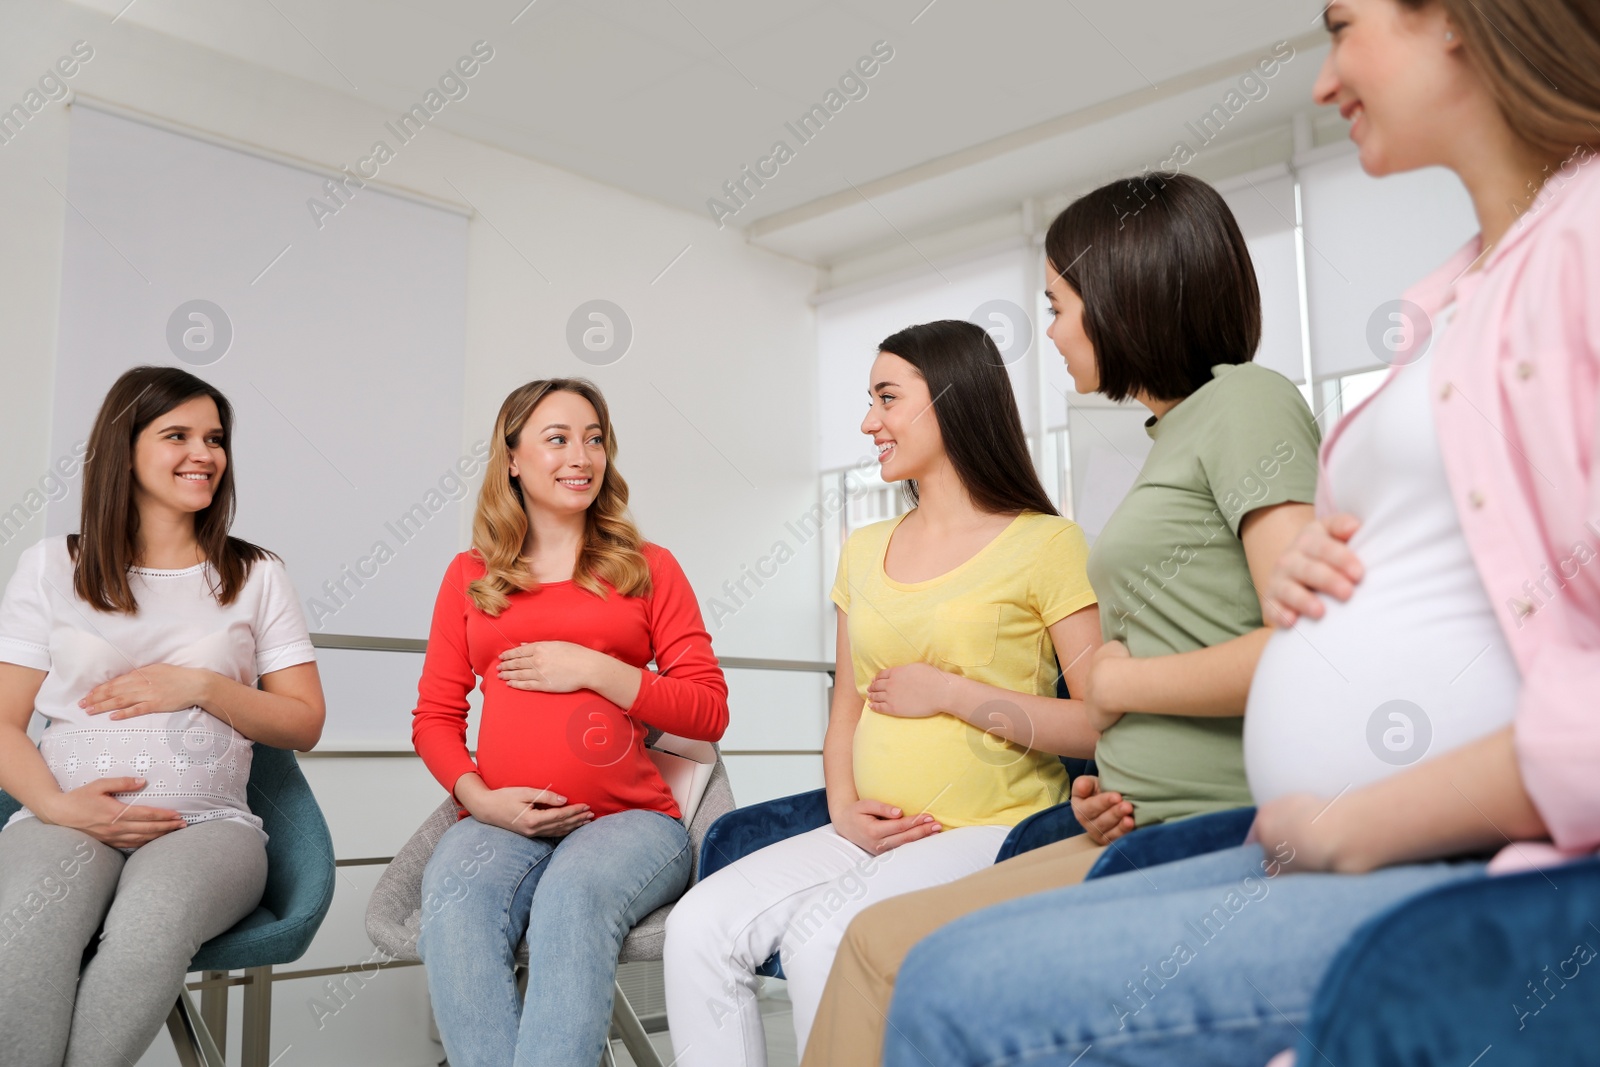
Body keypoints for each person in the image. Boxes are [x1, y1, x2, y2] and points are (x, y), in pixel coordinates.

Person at [882, 1, 1600, 1063]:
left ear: (1452, 18)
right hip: (1301, 822)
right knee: (939, 964)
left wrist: (1367, 816)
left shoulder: (1576, 248)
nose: (1320, 79)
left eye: (1342, 24)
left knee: (949, 985)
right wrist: (1336, 562)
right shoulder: (1456, 297)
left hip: (1446, 844)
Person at [802, 173, 1323, 1066]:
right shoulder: (1180, 432)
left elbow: (1309, 645)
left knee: (888, 952)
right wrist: (1109, 771)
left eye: (1058, 304)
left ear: (1127, 295)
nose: (1049, 332)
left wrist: (1120, 684)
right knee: (871, 944)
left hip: (1214, 824)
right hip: (1126, 814)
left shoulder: (1246, 403)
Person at [663, 318, 1103, 1066]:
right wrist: (843, 807)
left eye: (887, 398)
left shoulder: (1046, 543)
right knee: (698, 924)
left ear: (953, 401)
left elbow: (1097, 722)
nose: (869, 422)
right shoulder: (863, 550)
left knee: (824, 940)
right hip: (866, 825)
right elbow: (845, 710)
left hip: (989, 828)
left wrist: (951, 691)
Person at [0, 366, 325, 1067]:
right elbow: (2, 721)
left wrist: (201, 685)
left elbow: (303, 721)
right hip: (67, 815)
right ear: (123, 449)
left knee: (151, 922)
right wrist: (58, 806)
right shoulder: (50, 566)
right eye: (177, 434)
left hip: (208, 828)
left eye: (214, 438)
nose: (203, 453)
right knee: (25, 920)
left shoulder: (257, 573)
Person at [411, 378, 729, 1067]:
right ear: (513, 458)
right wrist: (479, 799)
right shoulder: (471, 576)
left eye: (594, 438)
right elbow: (435, 717)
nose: (581, 455)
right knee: (452, 901)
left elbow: (708, 708)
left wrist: (594, 667)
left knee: (571, 899)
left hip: (631, 821)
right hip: (498, 818)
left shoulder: (649, 567)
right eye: (557, 438)